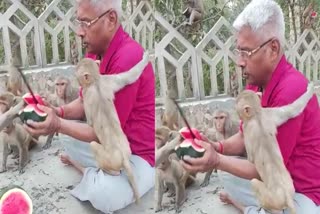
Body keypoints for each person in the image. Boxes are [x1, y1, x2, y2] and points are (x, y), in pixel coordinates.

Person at [181, 0, 320, 213]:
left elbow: (264, 169)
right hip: (273, 181)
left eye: (246, 52)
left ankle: (246, 207)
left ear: (273, 49)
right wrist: (216, 146)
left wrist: (216, 160)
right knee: (226, 174)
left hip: (300, 194)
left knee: (227, 170)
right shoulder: (257, 84)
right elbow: (245, 136)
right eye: (239, 52)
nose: (239, 61)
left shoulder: (291, 90)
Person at [24, 0, 155, 213]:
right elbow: (85, 102)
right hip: (108, 146)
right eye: (79, 22)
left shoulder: (127, 58)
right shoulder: (94, 53)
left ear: (111, 19)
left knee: (104, 197)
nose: (79, 32)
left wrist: (57, 123)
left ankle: (89, 173)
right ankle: (95, 172)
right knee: (67, 136)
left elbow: (102, 133)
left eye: (85, 23)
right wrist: (58, 112)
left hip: (136, 155)